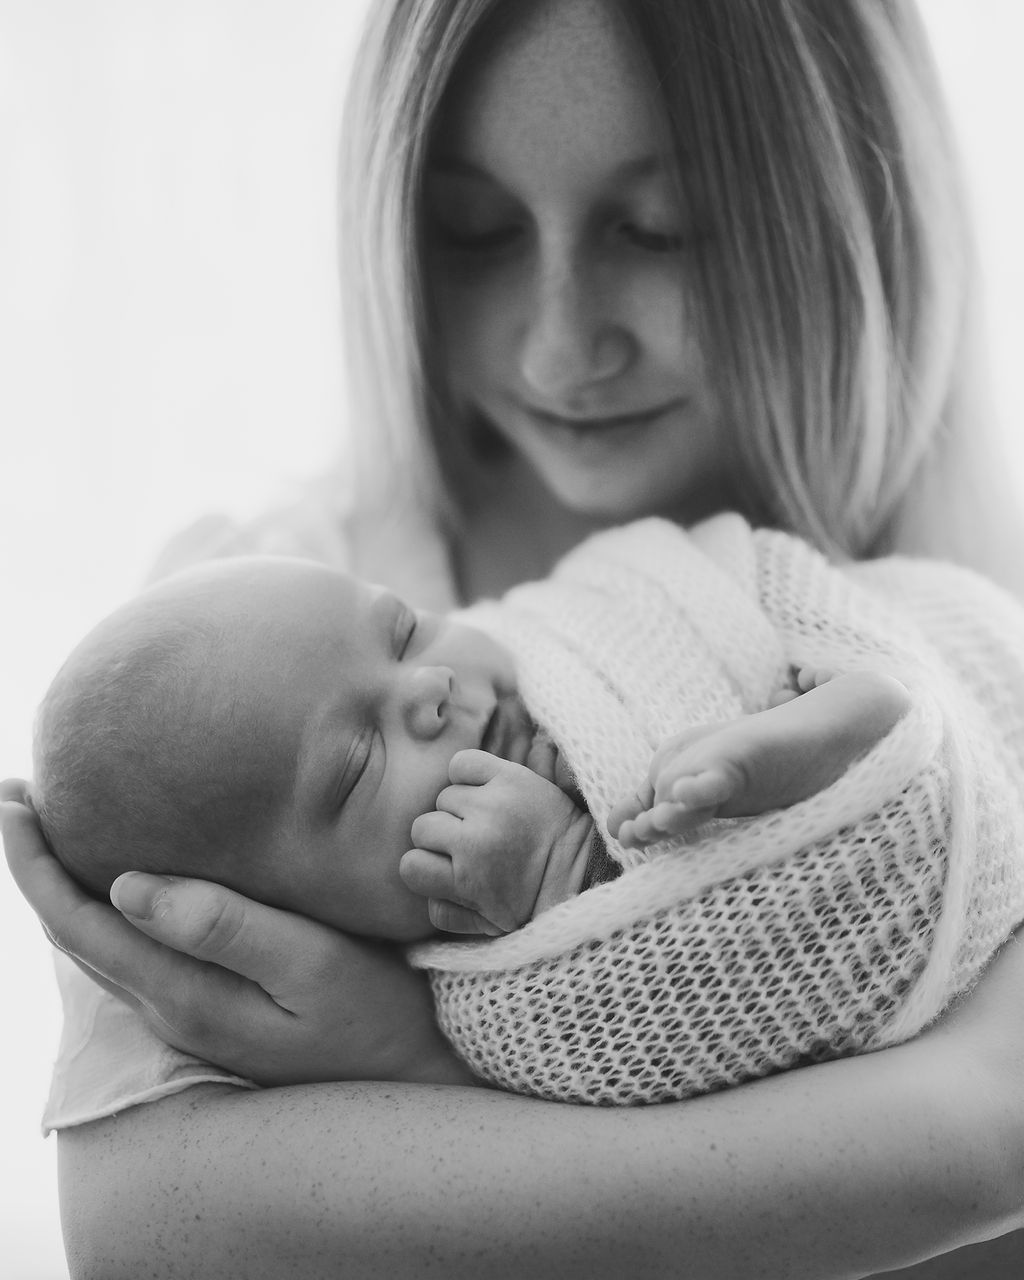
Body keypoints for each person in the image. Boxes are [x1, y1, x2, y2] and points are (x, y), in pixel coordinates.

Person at [5, 0, 1024, 1274]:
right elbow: (149, 1228)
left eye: (657, 227)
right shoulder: (244, 633)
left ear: (854, 222)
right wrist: (936, 1133)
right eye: (477, 233)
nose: (560, 345)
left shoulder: (979, 631)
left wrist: (407, 1059)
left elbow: (985, 1139)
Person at [31, 513, 1024, 1112]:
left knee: (786, 599)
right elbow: (639, 1036)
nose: (427, 686)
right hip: (865, 872)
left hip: (940, 641)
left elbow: (660, 587)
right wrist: (560, 876)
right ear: (293, 921)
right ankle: (855, 749)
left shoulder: (522, 640)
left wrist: (724, 611)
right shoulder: (470, 975)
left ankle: (848, 694)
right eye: (362, 760)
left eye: (404, 627)